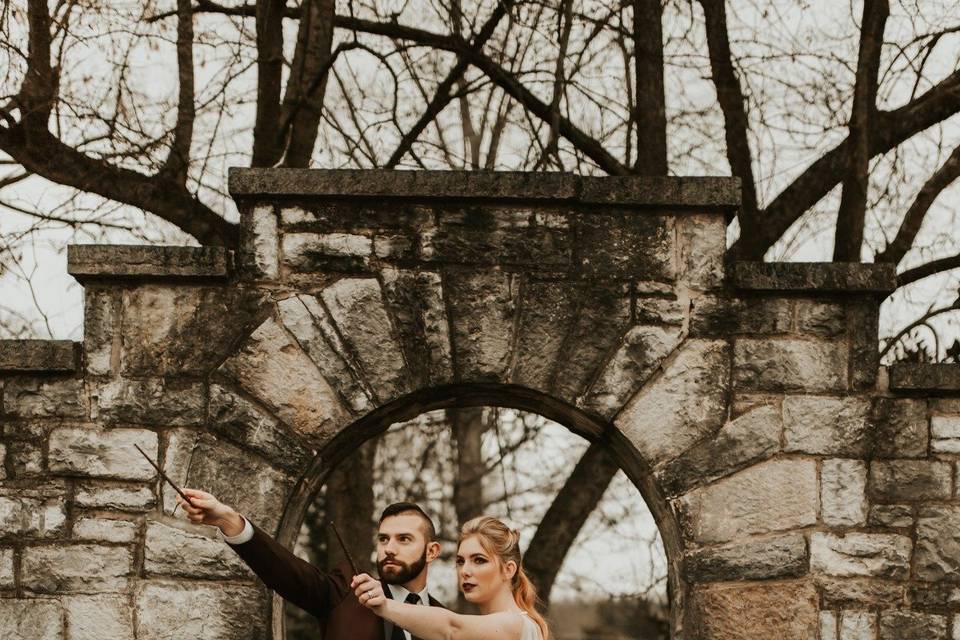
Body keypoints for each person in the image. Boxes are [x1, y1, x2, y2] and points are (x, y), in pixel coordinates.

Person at [177, 489, 444, 640]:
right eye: (384, 538)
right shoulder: (346, 591)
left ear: (431, 551)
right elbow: (286, 572)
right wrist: (230, 522)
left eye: (404, 539)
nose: (389, 548)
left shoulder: (446, 620)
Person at [352, 516, 549, 640]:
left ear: (509, 569)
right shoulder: (492, 628)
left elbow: (451, 628)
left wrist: (385, 606)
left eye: (479, 560)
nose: (465, 571)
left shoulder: (515, 625)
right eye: (461, 561)